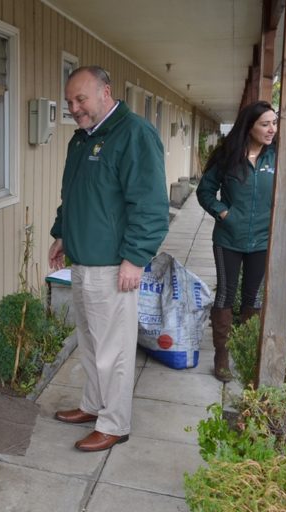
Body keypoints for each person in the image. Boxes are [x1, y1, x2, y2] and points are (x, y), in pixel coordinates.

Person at [48, 66, 170, 452]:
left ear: (105, 91)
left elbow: (150, 205)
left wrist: (135, 258)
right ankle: (93, 405)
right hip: (83, 260)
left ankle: (115, 423)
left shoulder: (134, 134)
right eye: (69, 101)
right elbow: (73, 194)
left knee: (113, 351)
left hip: (113, 266)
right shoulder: (82, 140)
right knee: (90, 344)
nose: (74, 108)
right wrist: (62, 233)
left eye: (80, 99)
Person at [196, 100, 286, 382]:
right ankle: (221, 355)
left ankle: (244, 351)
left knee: (252, 298)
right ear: (249, 126)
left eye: (274, 123)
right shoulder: (227, 156)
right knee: (225, 294)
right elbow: (205, 192)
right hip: (228, 238)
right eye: (265, 124)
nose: (272, 129)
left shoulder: (279, 157)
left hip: (263, 240)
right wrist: (224, 213)